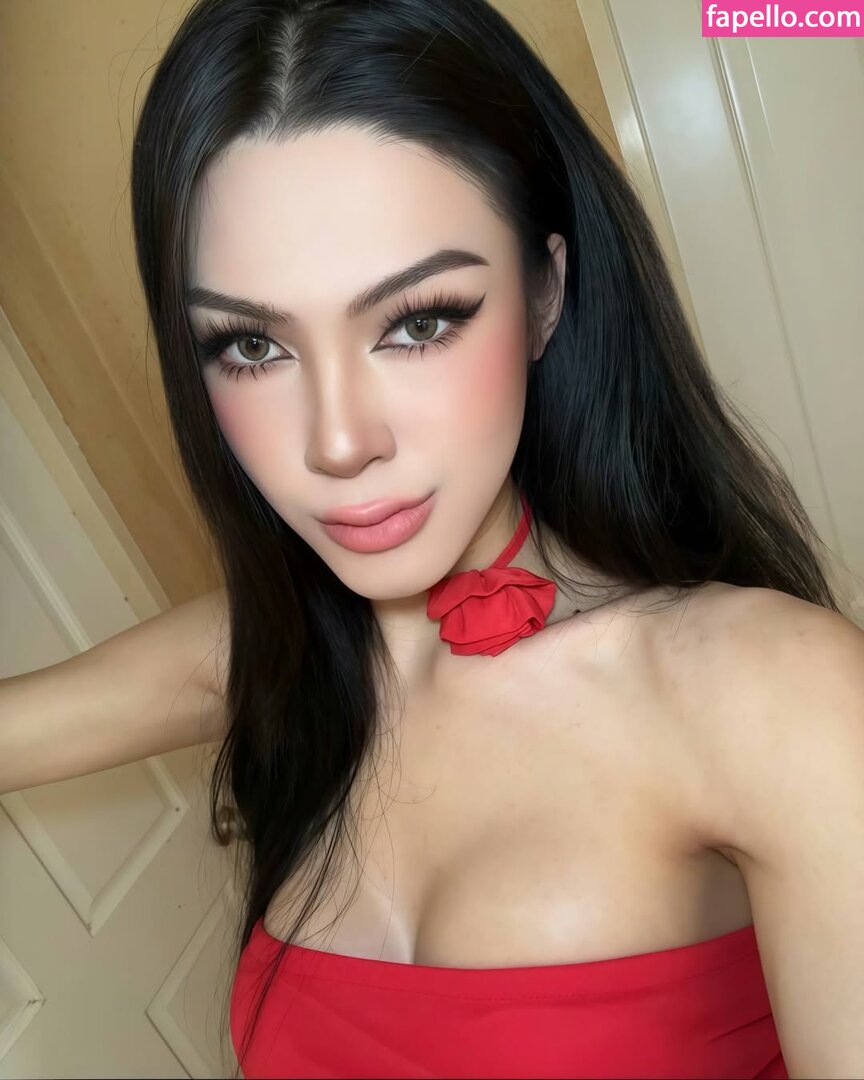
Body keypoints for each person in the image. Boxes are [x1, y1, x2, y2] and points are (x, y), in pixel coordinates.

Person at [3, 0, 863, 1077]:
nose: (338, 442)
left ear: (545, 295)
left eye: (419, 322)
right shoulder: (269, 654)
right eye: (252, 346)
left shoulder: (772, 692)